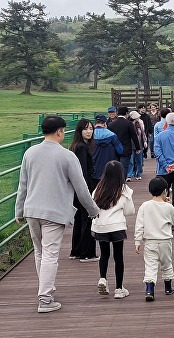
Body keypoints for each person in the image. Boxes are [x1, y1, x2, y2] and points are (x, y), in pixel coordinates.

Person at [15, 116, 100, 313]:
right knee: (51, 254)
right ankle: (45, 299)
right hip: (54, 213)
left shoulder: (30, 153)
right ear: (60, 131)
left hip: (31, 210)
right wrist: (93, 210)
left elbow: (23, 185)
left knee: (40, 252)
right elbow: (82, 188)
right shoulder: (67, 156)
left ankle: (46, 289)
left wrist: (19, 211)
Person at [91, 160, 134, 299]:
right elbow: (129, 211)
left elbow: (93, 206)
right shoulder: (124, 190)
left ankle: (103, 278)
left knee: (104, 254)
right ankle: (119, 288)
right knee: (118, 256)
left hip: (101, 227)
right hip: (117, 227)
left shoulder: (98, 189)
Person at [134, 177, 174, 301]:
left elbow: (139, 225)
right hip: (165, 241)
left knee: (150, 265)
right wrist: (169, 205)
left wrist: (137, 241)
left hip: (150, 242)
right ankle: (168, 288)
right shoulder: (168, 207)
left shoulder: (145, 206)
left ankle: (149, 290)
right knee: (166, 263)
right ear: (165, 191)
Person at [69, 119, 99, 262]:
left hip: (76, 189)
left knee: (79, 220)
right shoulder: (81, 147)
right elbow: (82, 172)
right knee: (87, 219)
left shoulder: (76, 146)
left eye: (91, 129)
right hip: (83, 188)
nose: (89, 132)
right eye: (86, 129)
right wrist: (87, 192)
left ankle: (76, 250)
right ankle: (87, 253)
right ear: (79, 131)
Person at [108, 106, 140, 180]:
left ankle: (115, 183)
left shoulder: (111, 124)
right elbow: (134, 136)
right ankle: (122, 184)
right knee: (124, 167)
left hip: (114, 149)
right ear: (126, 113)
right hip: (126, 149)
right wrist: (137, 148)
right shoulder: (128, 124)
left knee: (115, 167)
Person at [92, 115, 123, 182]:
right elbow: (120, 150)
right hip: (109, 166)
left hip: (94, 167)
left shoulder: (90, 135)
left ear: (95, 124)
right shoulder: (112, 135)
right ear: (105, 124)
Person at [127, 110, 147, 182]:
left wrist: (145, 141)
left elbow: (143, 132)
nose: (138, 118)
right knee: (131, 160)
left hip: (139, 143)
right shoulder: (129, 124)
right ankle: (129, 174)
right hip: (130, 144)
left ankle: (138, 174)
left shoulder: (140, 123)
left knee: (139, 160)